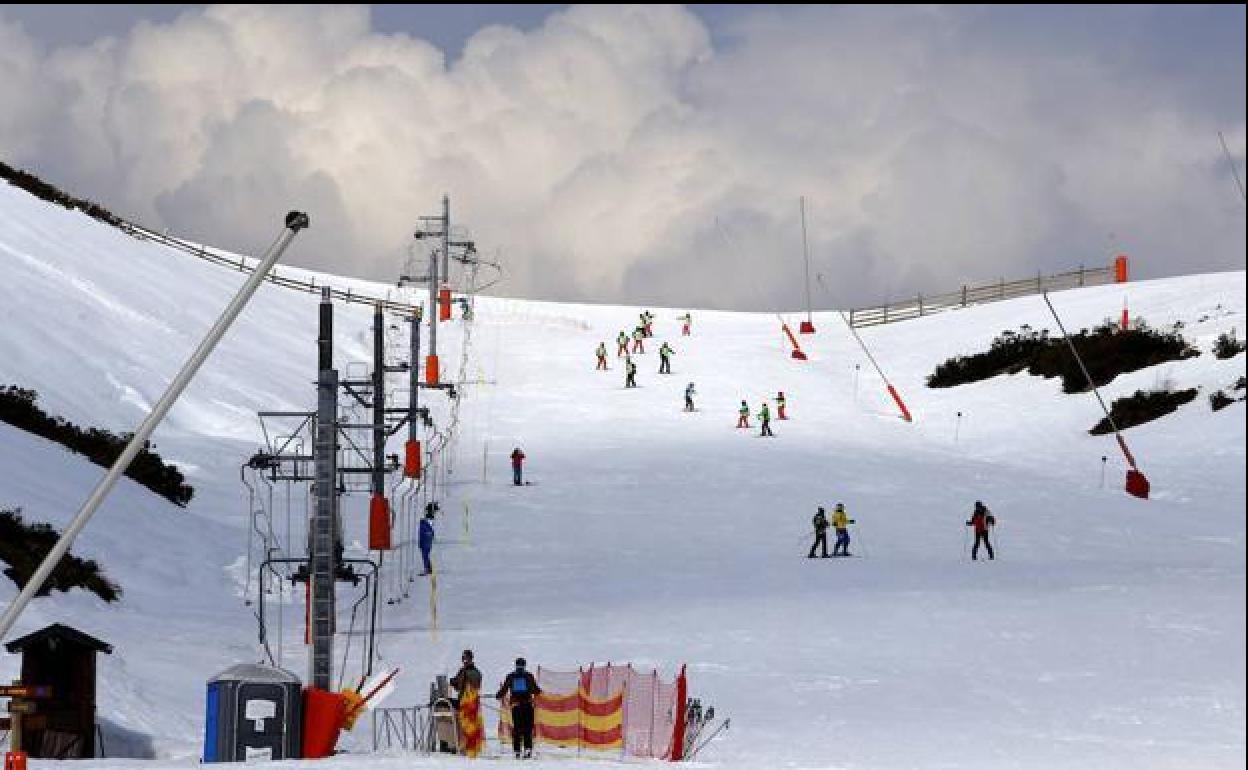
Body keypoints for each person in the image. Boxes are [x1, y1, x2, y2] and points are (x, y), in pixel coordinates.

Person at [497, 657, 542, 759]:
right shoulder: (529, 676)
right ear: (524, 665)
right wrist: (538, 691)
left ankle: (517, 751)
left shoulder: (511, 676)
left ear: (516, 665)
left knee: (517, 729)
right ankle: (527, 750)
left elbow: (503, 690)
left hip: (516, 707)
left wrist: (498, 695)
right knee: (528, 729)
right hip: (528, 706)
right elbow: (536, 690)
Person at [452, 650, 485, 757]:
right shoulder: (477, 672)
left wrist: (453, 682)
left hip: (466, 703)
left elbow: (458, 686)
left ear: (470, 659)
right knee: (473, 725)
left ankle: (468, 748)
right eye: (463, 658)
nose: (464, 660)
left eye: (465, 658)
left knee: (466, 726)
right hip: (474, 703)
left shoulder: (465, 672)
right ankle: (472, 747)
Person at [418, 509, 435, 575]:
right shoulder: (427, 525)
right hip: (427, 543)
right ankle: (429, 568)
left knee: (425, 556)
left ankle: (427, 568)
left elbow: (421, 535)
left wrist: (420, 543)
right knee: (426, 556)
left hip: (425, 543)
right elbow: (432, 533)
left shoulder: (423, 526)